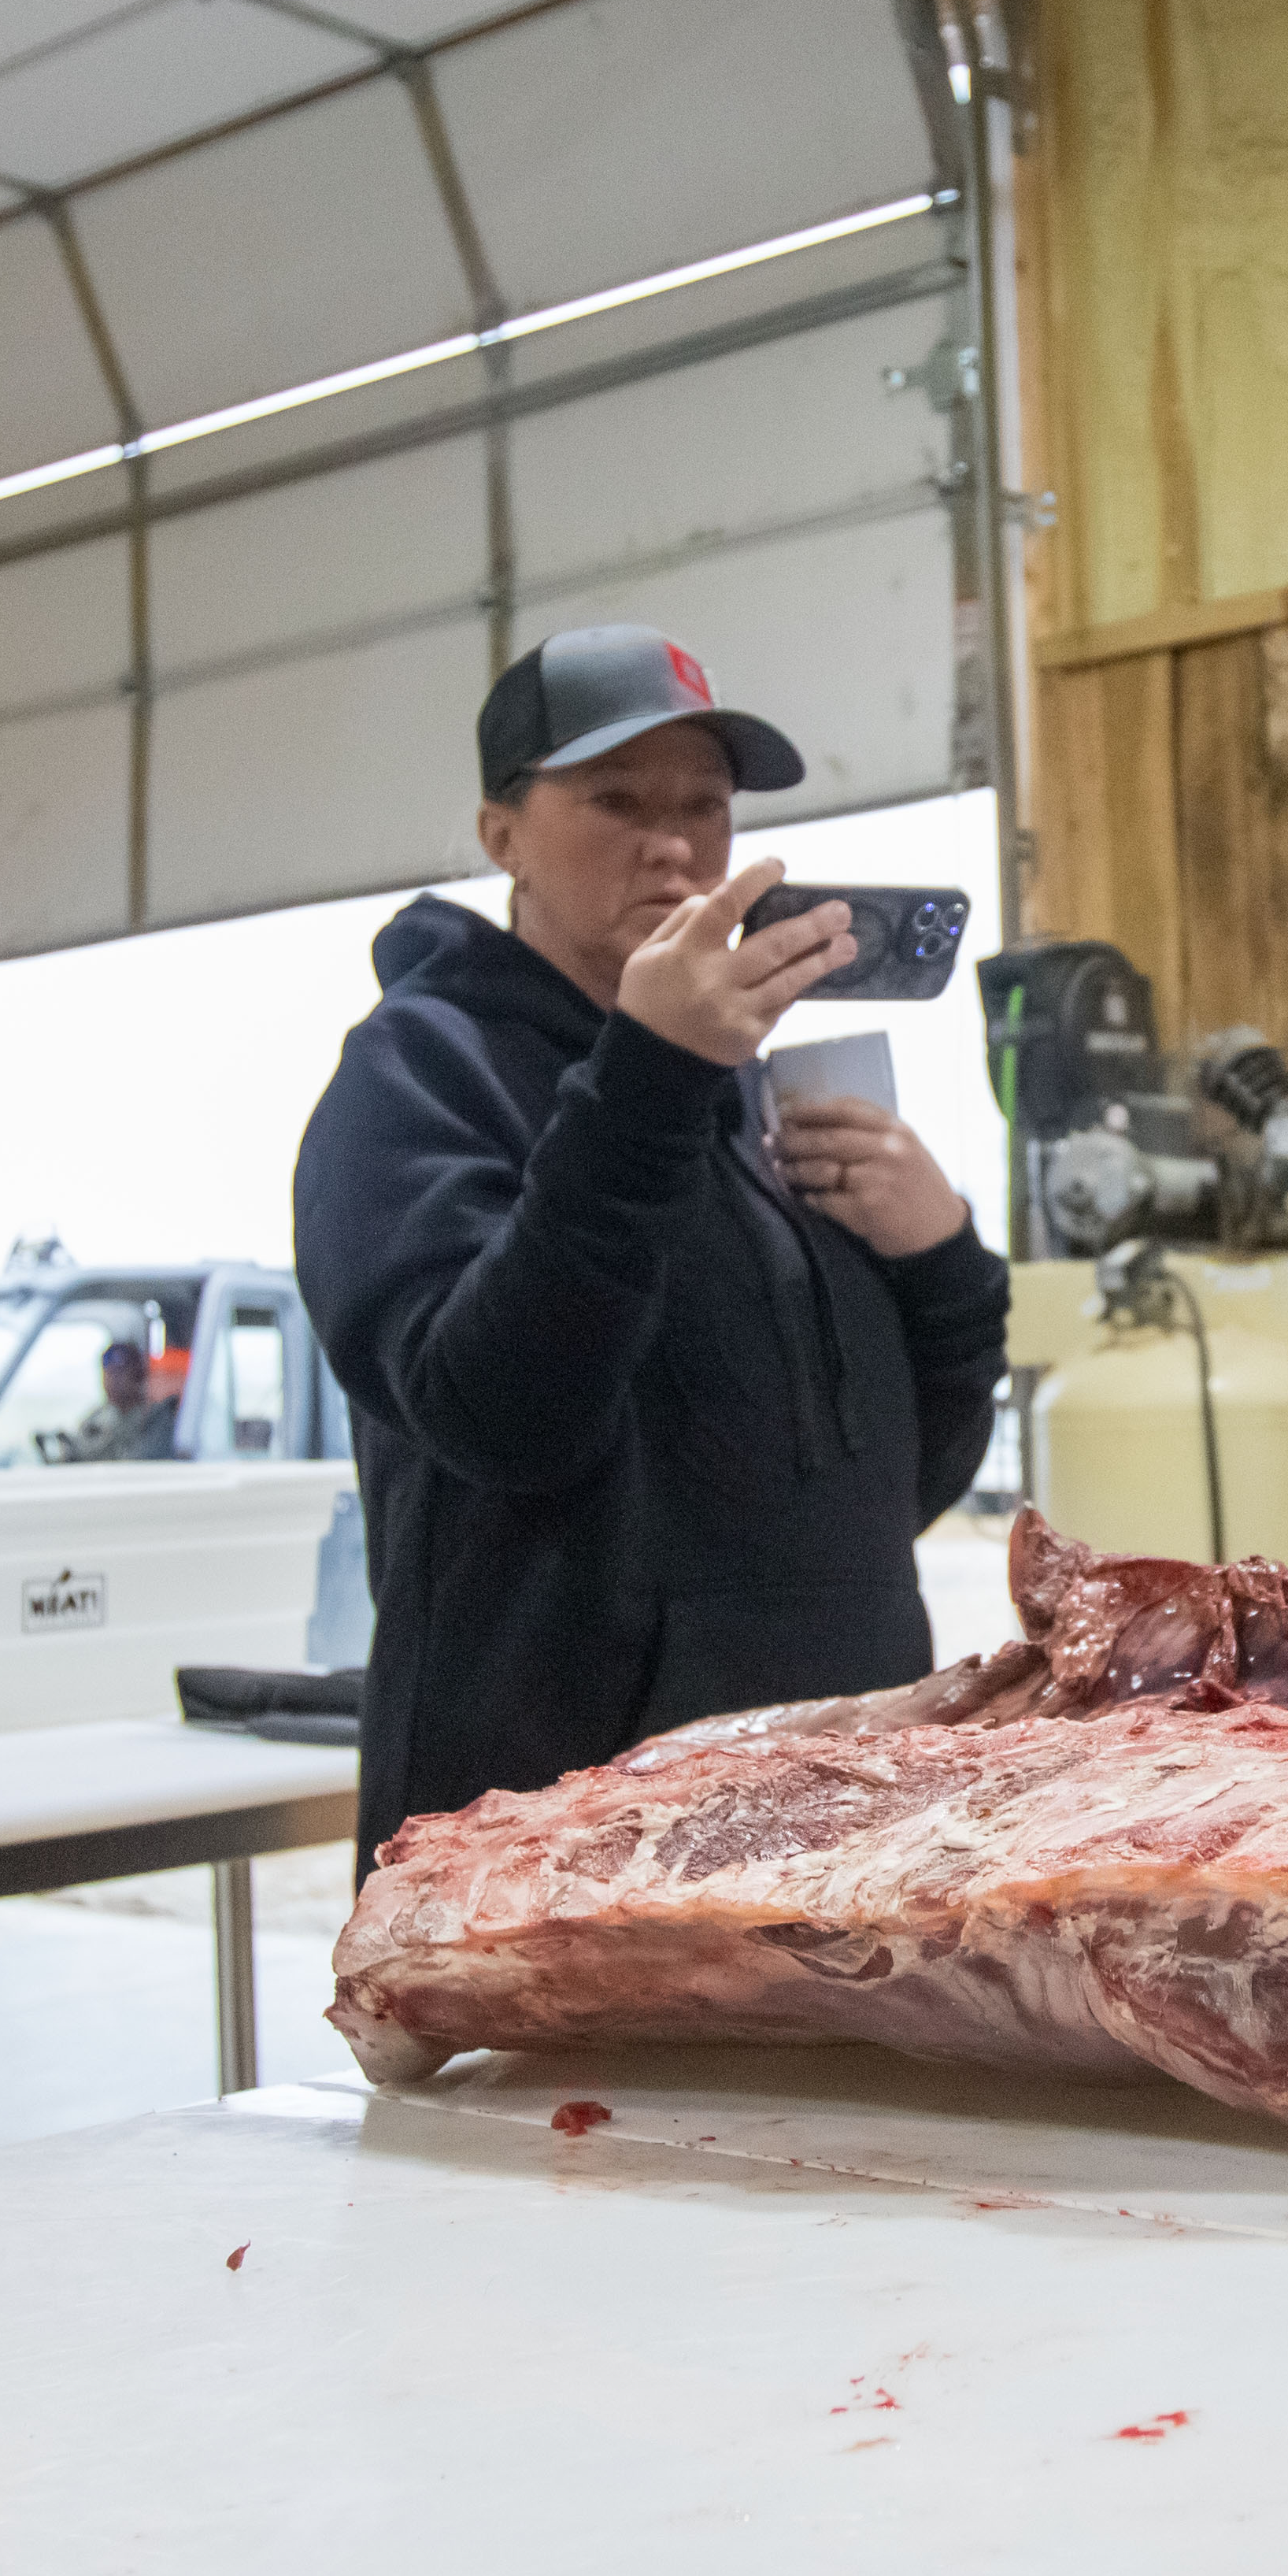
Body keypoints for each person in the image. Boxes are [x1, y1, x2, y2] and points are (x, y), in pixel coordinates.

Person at [295, 625, 1009, 1849]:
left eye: (706, 806)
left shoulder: (755, 1096)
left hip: (828, 1815)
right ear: (501, 834)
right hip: (555, 1832)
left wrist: (941, 1258)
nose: (673, 845)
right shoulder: (416, 1073)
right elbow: (499, 1410)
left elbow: (899, 1483)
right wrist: (650, 1079)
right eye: (615, 800)